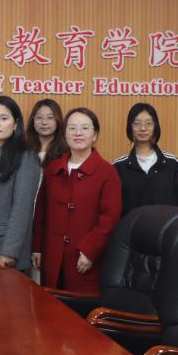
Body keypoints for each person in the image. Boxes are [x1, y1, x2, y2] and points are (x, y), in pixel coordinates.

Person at [33, 107, 122, 293]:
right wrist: (37, 248)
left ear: (95, 135)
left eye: (85, 128)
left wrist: (90, 250)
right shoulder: (53, 169)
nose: (78, 133)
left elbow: (110, 219)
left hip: (85, 260)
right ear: (64, 133)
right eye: (72, 128)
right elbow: (41, 212)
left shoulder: (107, 172)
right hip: (52, 255)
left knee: (79, 308)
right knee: (50, 306)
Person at [0, 96, 42, 272]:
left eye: (3, 118)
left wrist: (10, 251)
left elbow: (22, 209)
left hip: (6, 250)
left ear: (15, 124)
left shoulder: (26, 157)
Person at [113, 103, 178, 216]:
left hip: (166, 227)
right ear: (130, 127)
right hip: (132, 227)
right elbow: (113, 208)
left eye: (148, 123)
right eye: (137, 123)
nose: (143, 128)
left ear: (155, 127)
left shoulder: (172, 163)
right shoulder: (118, 166)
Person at [25, 99, 67, 165]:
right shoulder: (24, 149)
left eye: (50, 117)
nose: (44, 122)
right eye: (39, 117)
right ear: (33, 121)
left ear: (58, 120)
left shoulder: (67, 151)